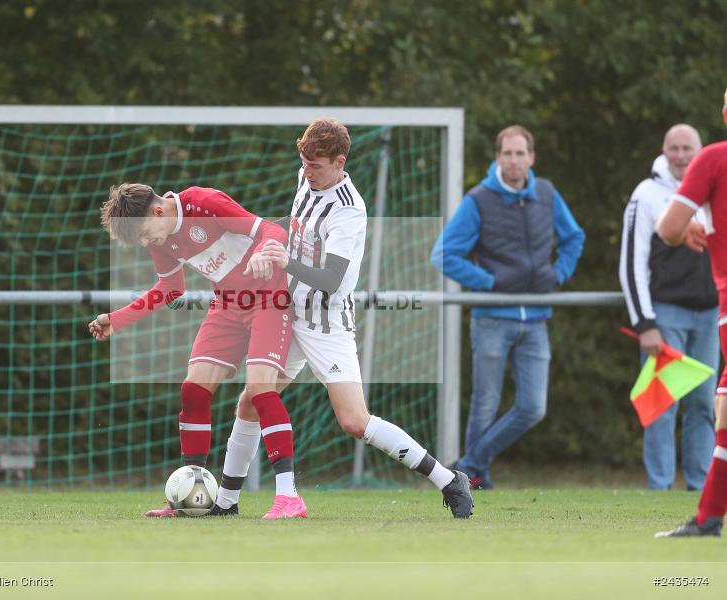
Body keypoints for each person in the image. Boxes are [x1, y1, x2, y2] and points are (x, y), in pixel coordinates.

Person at [207, 118, 474, 519]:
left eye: (315, 166)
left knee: (354, 420)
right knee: (250, 400)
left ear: (339, 162)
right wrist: (267, 244)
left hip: (326, 323)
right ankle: (226, 503)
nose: (307, 172)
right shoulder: (306, 177)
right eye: (304, 163)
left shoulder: (349, 211)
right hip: (289, 312)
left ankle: (449, 480)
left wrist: (286, 261)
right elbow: (296, 232)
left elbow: (331, 280)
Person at [89, 182, 307, 520]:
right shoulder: (159, 235)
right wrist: (117, 320)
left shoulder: (204, 203)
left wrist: (266, 250)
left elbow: (270, 228)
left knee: (261, 390)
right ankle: (194, 496)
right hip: (227, 306)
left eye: (146, 234)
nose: (148, 243)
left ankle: (288, 497)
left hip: (268, 298)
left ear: (158, 211)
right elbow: (171, 288)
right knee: (193, 390)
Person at [430, 125, 585, 489]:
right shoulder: (479, 199)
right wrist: (488, 282)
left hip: (536, 320)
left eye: (520, 153)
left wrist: (559, 273)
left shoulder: (546, 194)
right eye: (507, 153)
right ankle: (475, 479)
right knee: (485, 403)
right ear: (497, 157)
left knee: (533, 407)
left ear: (532, 158)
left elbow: (574, 237)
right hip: (491, 320)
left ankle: (467, 466)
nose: (514, 160)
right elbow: (443, 254)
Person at [618, 124, 718, 491]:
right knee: (662, 404)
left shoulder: (713, 190)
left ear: (700, 150)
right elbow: (632, 263)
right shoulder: (646, 194)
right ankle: (659, 487)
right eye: (673, 148)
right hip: (665, 314)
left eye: (687, 148)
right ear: (663, 151)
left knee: (705, 404)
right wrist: (644, 322)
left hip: (711, 315)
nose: (680, 155)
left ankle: (700, 485)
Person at [655, 87, 727, 538]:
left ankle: (707, 518)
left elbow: (668, 228)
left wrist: (687, 233)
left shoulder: (714, 158)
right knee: (723, 407)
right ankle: (708, 517)